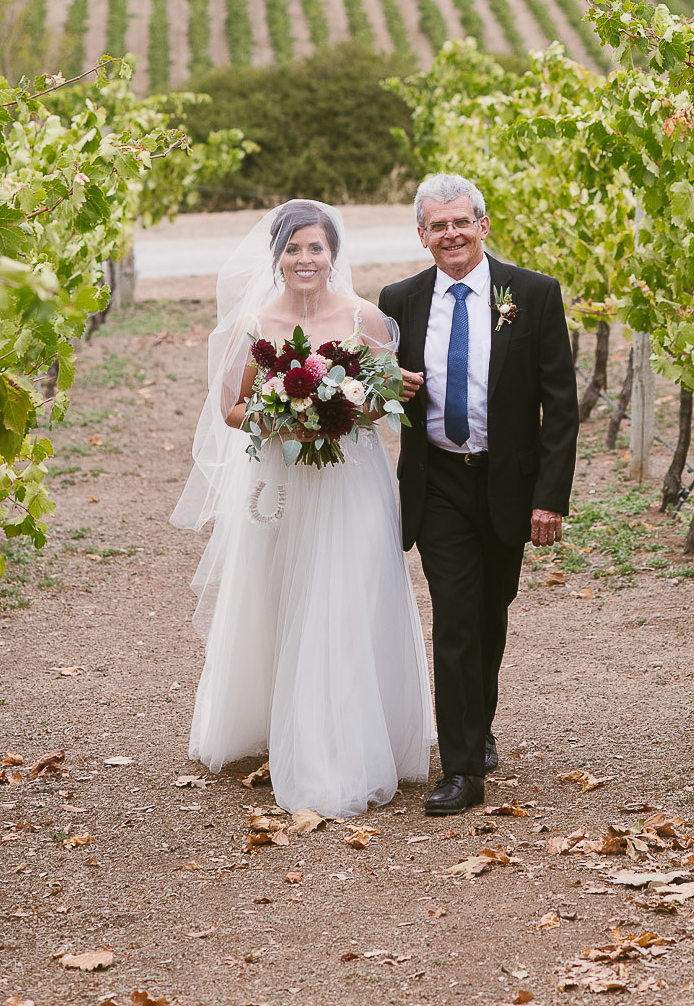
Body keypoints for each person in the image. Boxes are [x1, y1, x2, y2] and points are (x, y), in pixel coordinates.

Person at [171, 199, 435, 819]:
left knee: (351, 593)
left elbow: (385, 398)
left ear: (333, 255)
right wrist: (286, 419)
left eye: (315, 248)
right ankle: (285, 729)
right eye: (293, 249)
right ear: (277, 257)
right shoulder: (257, 323)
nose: (304, 259)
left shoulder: (366, 317)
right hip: (284, 478)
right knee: (287, 596)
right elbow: (231, 407)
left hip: (353, 480)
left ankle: (350, 742)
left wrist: (347, 410)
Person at [379, 173, 579, 817]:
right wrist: (393, 388)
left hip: (507, 486)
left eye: (461, 222)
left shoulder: (533, 294)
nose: (451, 234)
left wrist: (549, 498)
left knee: (492, 614)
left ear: (483, 225)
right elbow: (378, 385)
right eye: (438, 225)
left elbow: (561, 407)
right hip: (436, 481)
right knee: (457, 619)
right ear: (422, 235)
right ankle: (462, 767)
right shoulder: (399, 300)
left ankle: (479, 722)